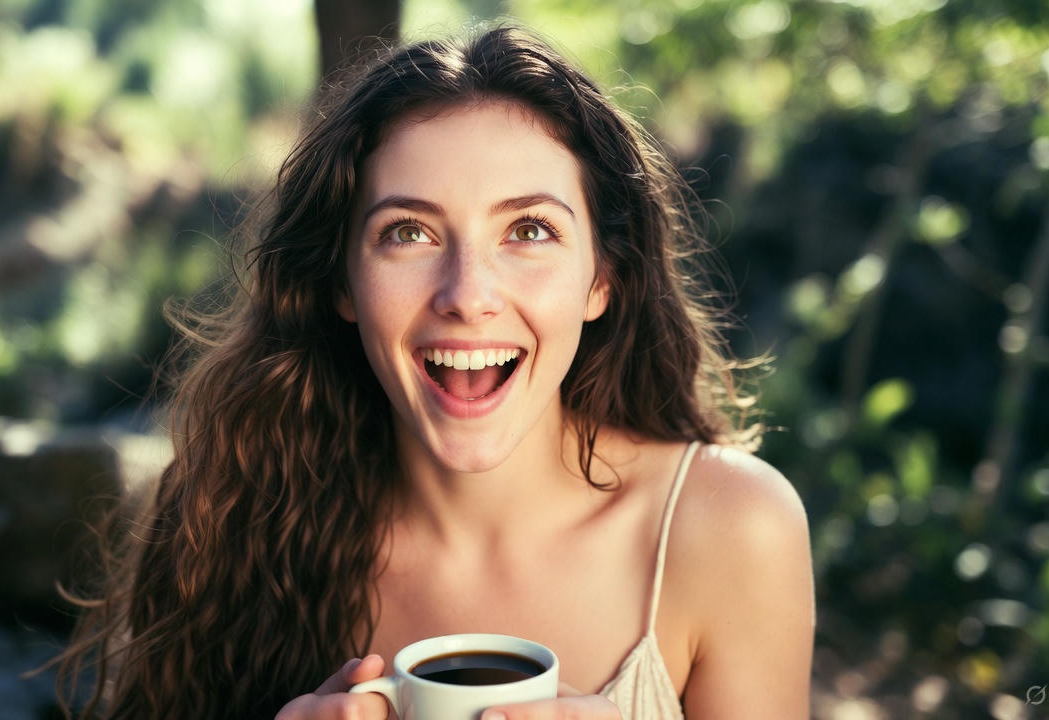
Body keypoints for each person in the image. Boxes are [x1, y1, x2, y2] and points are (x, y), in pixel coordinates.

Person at [57, 24, 815, 720]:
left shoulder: (730, 532)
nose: (467, 297)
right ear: (341, 282)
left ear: (601, 280)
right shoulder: (235, 518)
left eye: (528, 230)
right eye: (409, 233)